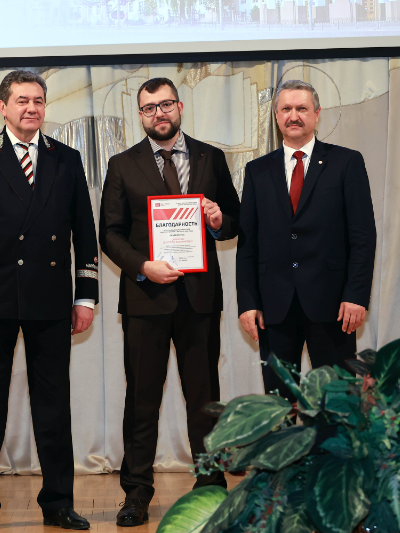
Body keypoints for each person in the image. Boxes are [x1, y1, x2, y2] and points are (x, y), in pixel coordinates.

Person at [0, 70, 98, 532]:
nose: (31, 108)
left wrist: (86, 296)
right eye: (22, 101)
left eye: (38, 101)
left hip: (50, 299)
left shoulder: (67, 159)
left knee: (53, 406)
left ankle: (58, 503)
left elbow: (84, 233)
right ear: (3, 107)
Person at [99, 77, 240, 527]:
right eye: (149, 108)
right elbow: (109, 234)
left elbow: (234, 220)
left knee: (205, 400)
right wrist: (143, 265)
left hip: (199, 300)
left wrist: (218, 220)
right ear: (140, 115)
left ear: (179, 106)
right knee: (142, 402)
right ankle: (136, 493)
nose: (158, 114)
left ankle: (211, 486)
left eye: (165, 105)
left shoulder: (210, 157)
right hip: (145, 299)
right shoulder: (122, 164)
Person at [236, 79, 376, 400]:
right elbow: (248, 244)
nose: (294, 116)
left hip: (333, 305)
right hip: (274, 307)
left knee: (337, 401)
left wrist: (356, 295)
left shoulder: (346, 162)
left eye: (302, 108)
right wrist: (248, 302)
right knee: (279, 404)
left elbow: (363, 236)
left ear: (317, 114)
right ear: (276, 115)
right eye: (286, 109)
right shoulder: (257, 171)